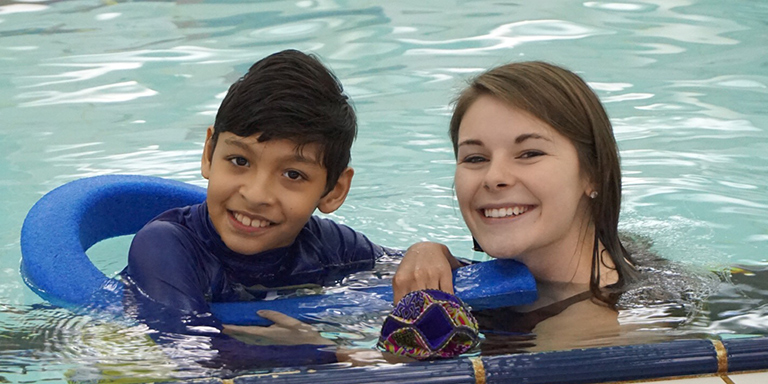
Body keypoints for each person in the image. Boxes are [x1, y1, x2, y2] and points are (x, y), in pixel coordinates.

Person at [121, 49, 393, 369]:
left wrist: (428, 254)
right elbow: (188, 350)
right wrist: (326, 353)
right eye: (240, 161)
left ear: (333, 190)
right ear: (209, 154)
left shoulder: (330, 248)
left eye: (293, 174)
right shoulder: (165, 246)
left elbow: (423, 277)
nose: (256, 194)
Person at [391, 61, 640, 352]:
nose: (494, 177)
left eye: (529, 153)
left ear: (593, 173)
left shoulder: (600, 332)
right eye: (474, 158)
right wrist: (429, 254)